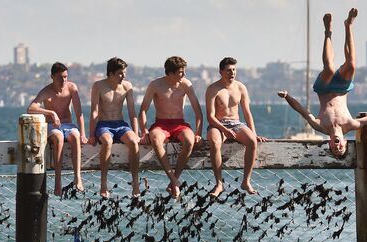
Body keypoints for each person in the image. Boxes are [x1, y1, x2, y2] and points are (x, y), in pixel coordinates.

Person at [278, 9, 367, 156]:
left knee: (330, 68)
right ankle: (348, 25)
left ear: (330, 143)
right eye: (341, 148)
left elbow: (302, 111)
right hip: (342, 88)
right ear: (345, 142)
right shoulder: (351, 124)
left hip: (323, 88)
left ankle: (328, 32)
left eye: (334, 148)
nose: (337, 147)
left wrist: (287, 96)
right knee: (351, 65)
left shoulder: (320, 126)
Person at [139, 56, 203, 198]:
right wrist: (144, 132)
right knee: (155, 139)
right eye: (181, 72)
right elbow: (143, 110)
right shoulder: (155, 85)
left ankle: (174, 180)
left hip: (179, 123)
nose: (184, 74)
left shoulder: (186, 84)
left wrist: (198, 132)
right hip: (161, 124)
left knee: (189, 140)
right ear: (171, 73)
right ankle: (173, 180)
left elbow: (198, 111)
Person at [205, 57, 267, 197]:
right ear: (221, 72)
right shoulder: (213, 89)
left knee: (252, 141)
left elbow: (247, 112)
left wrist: (254, 133)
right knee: (215, 143)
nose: (232, 73)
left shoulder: (240, 87)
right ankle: (219, 184)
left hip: (236, 124)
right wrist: (224, 130)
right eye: (228, 70)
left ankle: (246, 181)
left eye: (234, 70)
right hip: (218, 124)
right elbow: (210, 116)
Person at [28, 62, 87, 196]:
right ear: (52, 77)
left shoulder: (72, 88)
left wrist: (83, 133)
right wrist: (51, 113)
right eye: (60, 77)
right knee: (59, 138)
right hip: (52, 126)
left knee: (75, 136)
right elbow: (31, 108)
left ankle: (78, 178)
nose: (63, 80)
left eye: (65, 77)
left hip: (68, 125)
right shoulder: (46, 91)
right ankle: (58, 182)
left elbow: (79, 112)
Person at [88, 57, 140, 198]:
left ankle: (135, 184)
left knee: (134, 142)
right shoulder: (98, 86)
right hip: (104, 124)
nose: (123, 76)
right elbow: (94, 111)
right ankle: (104, 185)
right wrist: (91, 134)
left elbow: (131, 112)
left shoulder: (127, 86)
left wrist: (136, 133)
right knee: (107, 142)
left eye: (124, 73)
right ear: (110, 73)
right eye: (120, 73)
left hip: (120, 124)